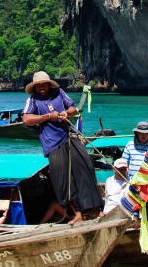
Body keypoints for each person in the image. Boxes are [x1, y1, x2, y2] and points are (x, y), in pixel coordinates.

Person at [22, 70, 103, 225]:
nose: (41, 88)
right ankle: (77, 212)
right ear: (35, 87)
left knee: (85, 167)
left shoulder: (59, 93)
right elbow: (26, 119)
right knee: (62, 180)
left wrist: (66, 113)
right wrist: (47, 117)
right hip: (52, 144)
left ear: (48, 84)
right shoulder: (32, 101)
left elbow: (73, 108)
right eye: (38, 86)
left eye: (43, 84)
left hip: (69, 136)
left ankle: (94, 208)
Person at [97, 158, 130, 267]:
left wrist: (137, 219)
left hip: (123, 215)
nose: (122, 172)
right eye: (119, 170)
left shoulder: (131, 182)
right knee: (105, 240)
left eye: (124, 169)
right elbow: (107, 199)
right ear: (113, 170)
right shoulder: (109, 181)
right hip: (108, 215)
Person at [123, 121, 148, 219]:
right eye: (141, 133)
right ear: (137, 133)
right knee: (131, 215)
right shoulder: (129, 145)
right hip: (132, 186)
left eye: (146, 133)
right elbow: (124, 165)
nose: (143, 135)